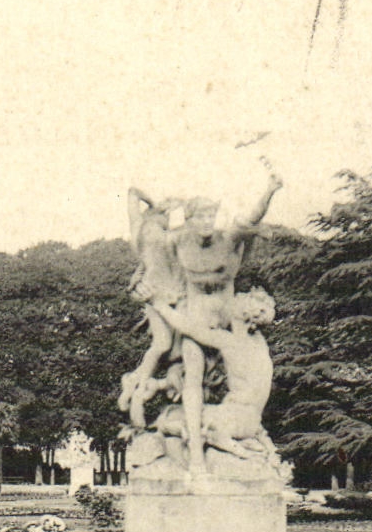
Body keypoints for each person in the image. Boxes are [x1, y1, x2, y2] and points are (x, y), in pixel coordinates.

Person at [166, 174, 282, 471]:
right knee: (193, 373)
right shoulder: (177, 241)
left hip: (227, 314)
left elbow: (251, 217)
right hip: (196, 312)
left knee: (241, 371)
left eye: (211, 216)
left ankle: (239, 433)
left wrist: (269, 190)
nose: (207, 222)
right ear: (189, 219)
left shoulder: (227, 238)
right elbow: (160, 265)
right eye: (201, 216)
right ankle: (195, 454)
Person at [150, 288, 280, 462]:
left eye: (236, 301)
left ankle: (210, 447)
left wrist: (158, 304)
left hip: (233, 419)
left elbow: (188, 328)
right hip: (252, 422)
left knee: (172, 416)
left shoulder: (229, 341)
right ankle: (243, 445)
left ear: (243, 314)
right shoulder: (259, 343)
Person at [118, 188, 188, 429]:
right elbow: (132, 192)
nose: (167, 219)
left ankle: (137, 385)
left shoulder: (166, 234)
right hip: (156, 293)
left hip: (176, 293)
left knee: (175, 350)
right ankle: (136, 387)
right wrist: (154, 202)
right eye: (164, 215)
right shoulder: (140, 227)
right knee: (164, 344)